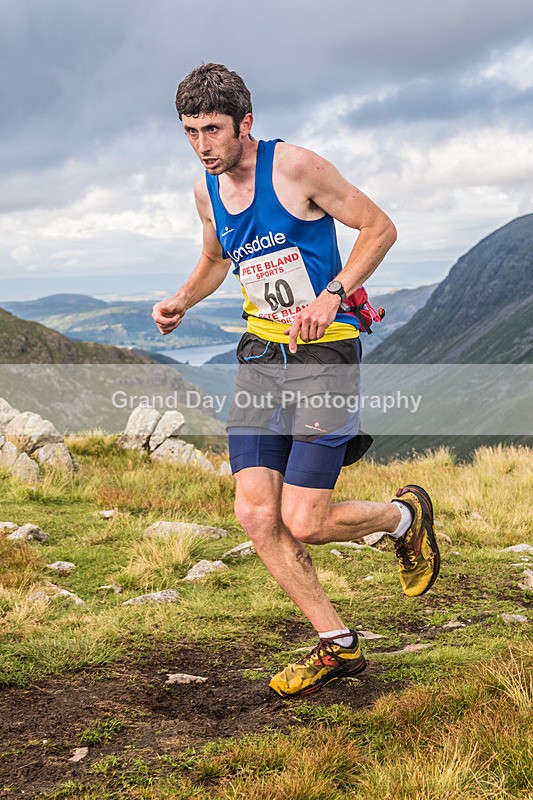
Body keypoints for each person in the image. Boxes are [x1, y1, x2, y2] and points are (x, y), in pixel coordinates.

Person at [152, 63, 440, 698]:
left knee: (303, 521)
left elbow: (380, 227)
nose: (203, 145)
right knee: (257, 515)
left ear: (245, 123)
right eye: (190, 132)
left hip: (323, 359)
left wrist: (333, 295)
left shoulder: (296, 168)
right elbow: (217, 258)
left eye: (214, 130)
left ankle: (402, 517)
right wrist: (182, 300)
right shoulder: (206, 187)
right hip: (261, 359)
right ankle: (336, 644)